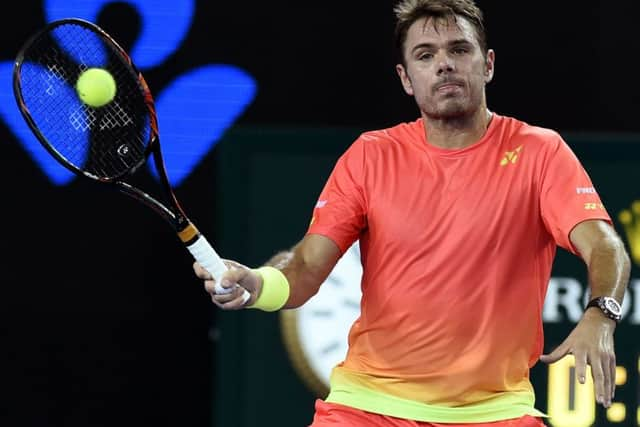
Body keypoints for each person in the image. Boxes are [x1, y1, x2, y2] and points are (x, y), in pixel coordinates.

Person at [194, 0, 631, 425]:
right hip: (367, 406)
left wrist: (601, 312)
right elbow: (306, 267)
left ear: (488, 64)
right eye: (426, 55)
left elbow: (605, 246)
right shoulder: (369, 155)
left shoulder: (540, 151)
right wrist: (256, 283)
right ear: (406, 78)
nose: (444, 64)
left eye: (459, 49)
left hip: (496, 412)